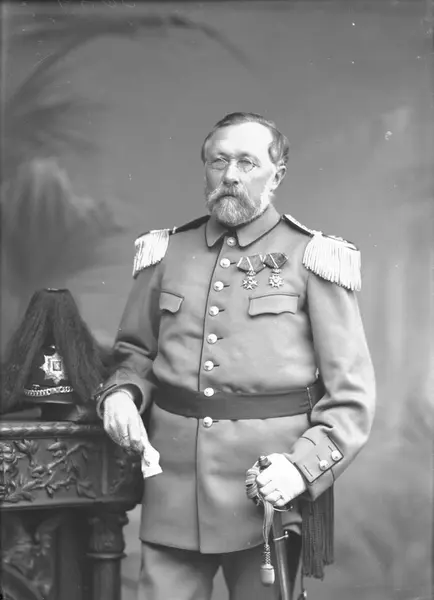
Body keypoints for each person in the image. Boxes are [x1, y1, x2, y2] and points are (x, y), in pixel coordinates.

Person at [94, 112, 376, 600]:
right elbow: (134, 353)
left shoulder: (314, 258)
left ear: (276, 175)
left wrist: (301, 469)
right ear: (205, 168)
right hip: (173, 489)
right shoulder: (167, 253)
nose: (230, 175)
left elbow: (351, 398)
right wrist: (121, 394)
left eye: (247, 162)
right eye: (218, 161)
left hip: (267, 489)